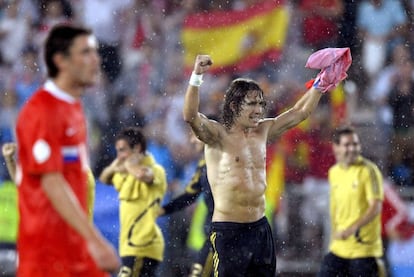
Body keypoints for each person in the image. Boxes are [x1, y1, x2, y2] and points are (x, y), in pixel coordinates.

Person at [182, 54, 340, 276]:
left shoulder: (263, 130)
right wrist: (197, 76)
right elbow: (190, 115)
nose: (259, 109)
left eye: (261, 103)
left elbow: (300, 113)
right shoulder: (217, 134)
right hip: (229, 230)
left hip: (259, 229)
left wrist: (320, 84)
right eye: (252, 104)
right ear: (235, 105)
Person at [15, 24, 120, 276]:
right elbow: (52, 182)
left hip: (73, 249)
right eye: (85, 53)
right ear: (60, 60)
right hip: (46, 255)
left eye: (95, 52)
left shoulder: (73, 108)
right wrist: (95, 240)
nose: (95, 60)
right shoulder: (42, 110)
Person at [99, 127, 167, 277]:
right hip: (129, 245)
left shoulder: (155, 170)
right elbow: (104, 178)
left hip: (143, 245)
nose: (119, 156)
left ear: (137, 148)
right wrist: (115, 167)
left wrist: (129, 164)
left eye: (122, 150)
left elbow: (144, 175)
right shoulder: (125, 174)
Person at [318, 125, 385, 277]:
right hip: (339, 247)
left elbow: (375, 206)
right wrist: (334, 236)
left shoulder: (368, 170)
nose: (352, 148)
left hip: (363, 249)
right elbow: (335, 208)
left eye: (355, 144)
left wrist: (352, 228)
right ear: (336, 147)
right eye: (347, 145)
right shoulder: (334, 172)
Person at [159, 131, 214, 277]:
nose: (192, 140)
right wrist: (163, 210)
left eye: (195, 135)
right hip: (208, 235)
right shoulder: (203, 164)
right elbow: (190, 194)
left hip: (222, 235)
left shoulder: (222, 163)